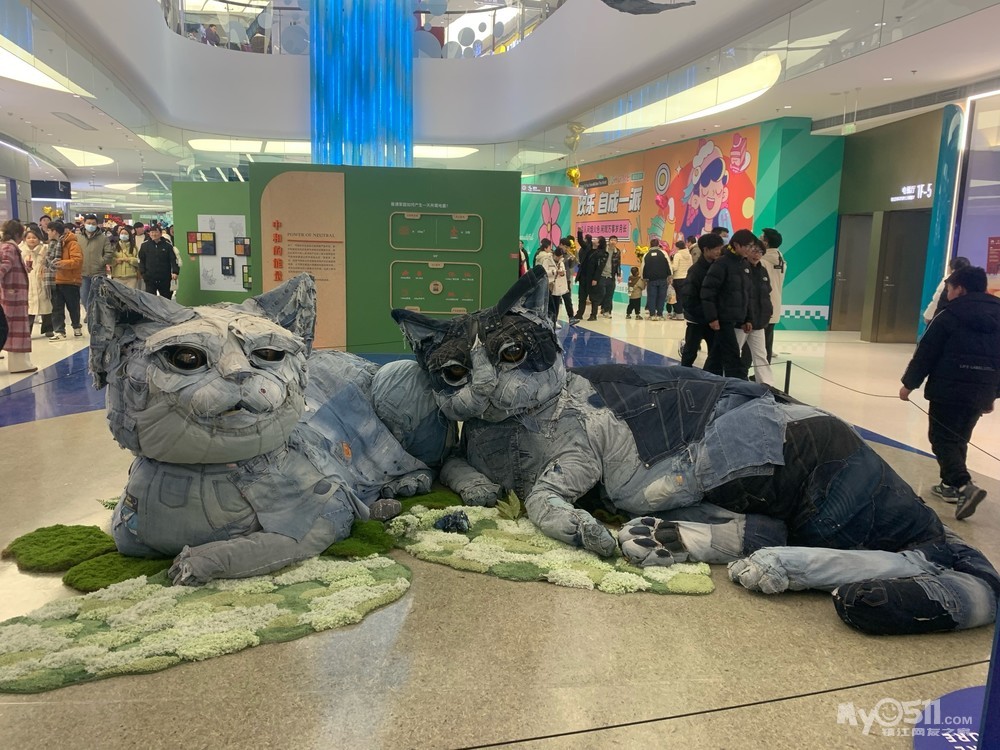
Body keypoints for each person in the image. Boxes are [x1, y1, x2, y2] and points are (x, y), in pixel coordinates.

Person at [900, 266, 1000, 521]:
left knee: (942, 438)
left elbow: (926, 352)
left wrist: (909, 384)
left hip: (948, 389)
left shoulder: (948, 314)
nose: (948, 293)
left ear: (960, 289)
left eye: (949, 289)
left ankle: (964, 485)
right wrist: (993, 393)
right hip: (982, 389)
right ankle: (949, 486)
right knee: (960, 437)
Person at [701, 229, 755, 379]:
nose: (750, 250)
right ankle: (739, 384)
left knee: (716, 355)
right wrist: (712, 317)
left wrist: (748, 319)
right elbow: (708, 291)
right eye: (748, 246)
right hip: (722, 318)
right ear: (736, 245)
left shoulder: (745, 264)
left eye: (752, 246)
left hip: (736, 318)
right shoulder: (721, 263)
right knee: (732, 354)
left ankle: (705, 380)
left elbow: (747, 293)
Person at [679, 233, 724, 366]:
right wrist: (704, 314)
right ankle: (683, 374)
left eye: (720, 248)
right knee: (690, 351)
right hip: (697, 320)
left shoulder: (720, 268)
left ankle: (710, 375)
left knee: (715, 353)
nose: (719, 252)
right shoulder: (695, 271)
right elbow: (688, 297)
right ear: (705, 250)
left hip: (714, 319)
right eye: (716, 249)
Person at [0, 220, 37, 373]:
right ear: (17, 234)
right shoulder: (10, 248)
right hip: (13, 294)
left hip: (11, 293)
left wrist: (24, 268)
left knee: (12, 329)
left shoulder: (7, 247)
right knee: (17, 330)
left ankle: (20, 363)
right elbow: (4, 266)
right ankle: (19, 364)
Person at [736, 242, 774, 386]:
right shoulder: (740, 269)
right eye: (754, 251)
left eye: (760, 252)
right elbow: (741, 296)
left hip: (759, 321)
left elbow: (766, 294)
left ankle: (766, 384)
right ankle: (729, 380)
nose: (757, 255)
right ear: (747, 251)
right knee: (734, 351)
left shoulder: (763, 270)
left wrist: (768, 311)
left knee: (761, 354)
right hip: (741, 322)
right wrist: (745, 318)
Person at [46, 220, 83, 340]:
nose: (47, 233)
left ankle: (76, 327)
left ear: (54, 231)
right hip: (54, 280)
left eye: (49, 230)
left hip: (70, 280)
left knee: (73, 307)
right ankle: (59, 331)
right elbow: (48, 261)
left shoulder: (72, 244)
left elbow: (77, 261)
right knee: (57, 308)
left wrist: (61, 263)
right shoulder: (52, 245)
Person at [77, 213, 114, 317]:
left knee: (98, 296)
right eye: (89, 223)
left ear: (97, 224)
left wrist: (101, 262)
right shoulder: (78, 238)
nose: (91, 225)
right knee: (84, 296)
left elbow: (109, 253)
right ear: (84, 223)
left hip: (98, 272)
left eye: (93, 223)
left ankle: (97, 315)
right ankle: (90, 314)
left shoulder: (103, 238)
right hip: (83, 272)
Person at [18, 226, 52, 337]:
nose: (31, 240)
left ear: (39, 238)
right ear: (25, 239)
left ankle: (48, 329)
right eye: (29, 238)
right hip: (27, 281)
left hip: (42, 280)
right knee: (29, 307)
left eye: (34, 237)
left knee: (46, 305)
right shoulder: (20, 250)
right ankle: (27, 331)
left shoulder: (45, 249)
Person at [758, 227, 785, 362]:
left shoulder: (762, 261)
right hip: (775, 304)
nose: (759, 238)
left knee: (756, 344)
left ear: (766, 242)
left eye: (761, 237)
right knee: (767, 342)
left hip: (762, 306)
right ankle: (765, 371)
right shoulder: (780, 260)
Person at [923, 256, 971, 324]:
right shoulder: (971, 282)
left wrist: (928, 315)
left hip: (944, 318)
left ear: (952, 268)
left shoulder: (948, 280)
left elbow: (937, 299)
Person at [138, 223, 179, 298]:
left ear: (160, 233)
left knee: (166, 299)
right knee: (150, 299)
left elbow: (173, 260)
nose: (154, 234)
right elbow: (141, 260)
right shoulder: (144, 246)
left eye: (156, 232)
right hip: (150, 278)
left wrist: (175, 272)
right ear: (149, 234)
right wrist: (143, 273)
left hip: (165, 278)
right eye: (152, 232)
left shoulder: (168, 246)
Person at [641, 238, 671, 320]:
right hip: (663, 279)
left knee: (651, 297)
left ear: (650, 245)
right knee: (661, 297)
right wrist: (670, 276)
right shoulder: (664, 253)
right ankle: (660, 314)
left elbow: (643, 267)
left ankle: (652, 315)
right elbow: (669, 265)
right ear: (658, 245)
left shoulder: (646, 254)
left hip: (651, 280)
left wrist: (643, 278)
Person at [582, 236, 610, 321]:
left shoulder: (603, 254)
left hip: (595, 278)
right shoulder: (591, 250)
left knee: (594, 297)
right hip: (587, 276)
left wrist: (595, 279)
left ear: (599, 243)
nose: (594, 240)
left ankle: (593, 315)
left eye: (596, 239)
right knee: (589, 296)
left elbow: (600, 268)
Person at [111, 224, 141, 289]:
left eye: (125, 234)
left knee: (131, 294)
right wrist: (116, 261)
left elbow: (138, 261)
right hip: (117, 277)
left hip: (131, 277)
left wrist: (129, 259)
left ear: (129, 235)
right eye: (122, 233)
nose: (123, 235)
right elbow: (109, 260)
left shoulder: (134, 247)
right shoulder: (114, 247)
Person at [599, 235, 622, 318]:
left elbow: (618, 264)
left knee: (609, 294)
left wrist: (618, 275)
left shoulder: (617, 252)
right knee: (602, 293)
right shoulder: (603, 250)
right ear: (609, 241)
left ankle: (607, 311)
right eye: (611, 240)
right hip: (601, 275)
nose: (613, 242)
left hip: (611, 276)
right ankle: (602, 306)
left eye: (615, 240)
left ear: (617, 242)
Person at [669, 240, 692, 320]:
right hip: (687, 278)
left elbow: (675, 267)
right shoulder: (689, 255)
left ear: (677, 247)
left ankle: (679, 314)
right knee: (684, 297)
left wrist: (670, 265)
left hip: (678, 278)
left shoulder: (677, 255)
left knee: (677, 297)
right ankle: (684, 313)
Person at [574, 231, 593, 322]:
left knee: (583, 296)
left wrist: (579, 232)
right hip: (584, 275)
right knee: (582, 296)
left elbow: (580, 241)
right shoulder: (587, 248)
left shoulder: (587, 247)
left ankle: (582, 313)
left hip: (587, 276)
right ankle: (581, 313)